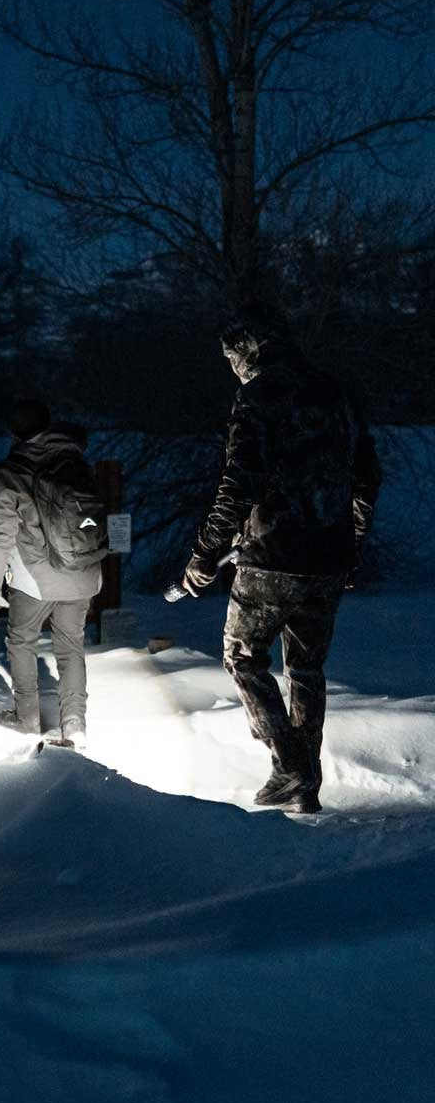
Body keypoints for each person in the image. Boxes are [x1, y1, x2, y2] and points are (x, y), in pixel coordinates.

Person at [180, 304, 381, 813]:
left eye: (232, 356)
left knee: (241, 656)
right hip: (329, 555)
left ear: (251, 347)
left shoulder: (258, 395)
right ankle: (302, 783)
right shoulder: (335, 393)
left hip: (273, 555)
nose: (233, 368)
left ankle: (291, 767)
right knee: (307, 668)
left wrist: (204, 553)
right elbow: (367, 477)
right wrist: (353, 544)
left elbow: (238, 483)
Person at [0, 399, 103, 746]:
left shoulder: (10, 473)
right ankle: (75, 724)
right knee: (71, 647)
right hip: (81, 572)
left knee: (21, 641)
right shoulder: (76, 461)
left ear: (14, 433)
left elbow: (0, 533)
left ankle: (27, 718)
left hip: (34, 579)